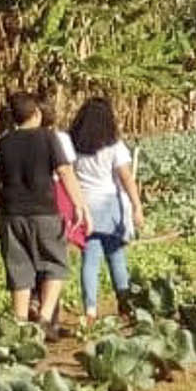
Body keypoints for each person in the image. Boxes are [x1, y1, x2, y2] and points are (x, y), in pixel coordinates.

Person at [0, 94, 84, 330]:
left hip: (12, 213)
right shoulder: (48, 137)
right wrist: (79, 204)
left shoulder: (3, 142)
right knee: (55, 263)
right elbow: (64, 171)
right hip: (44, 211)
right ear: (37, 114)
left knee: (19, 268)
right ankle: (45, 317)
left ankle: (20, 324)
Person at [69, 97, 143, 322]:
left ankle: (90, 310)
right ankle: (125, 304)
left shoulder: (74, 145)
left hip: (84, 205)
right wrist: (137, 207)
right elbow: (126, 177)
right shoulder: (114, 146)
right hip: (109, 205)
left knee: (90, 259)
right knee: (116, 255)